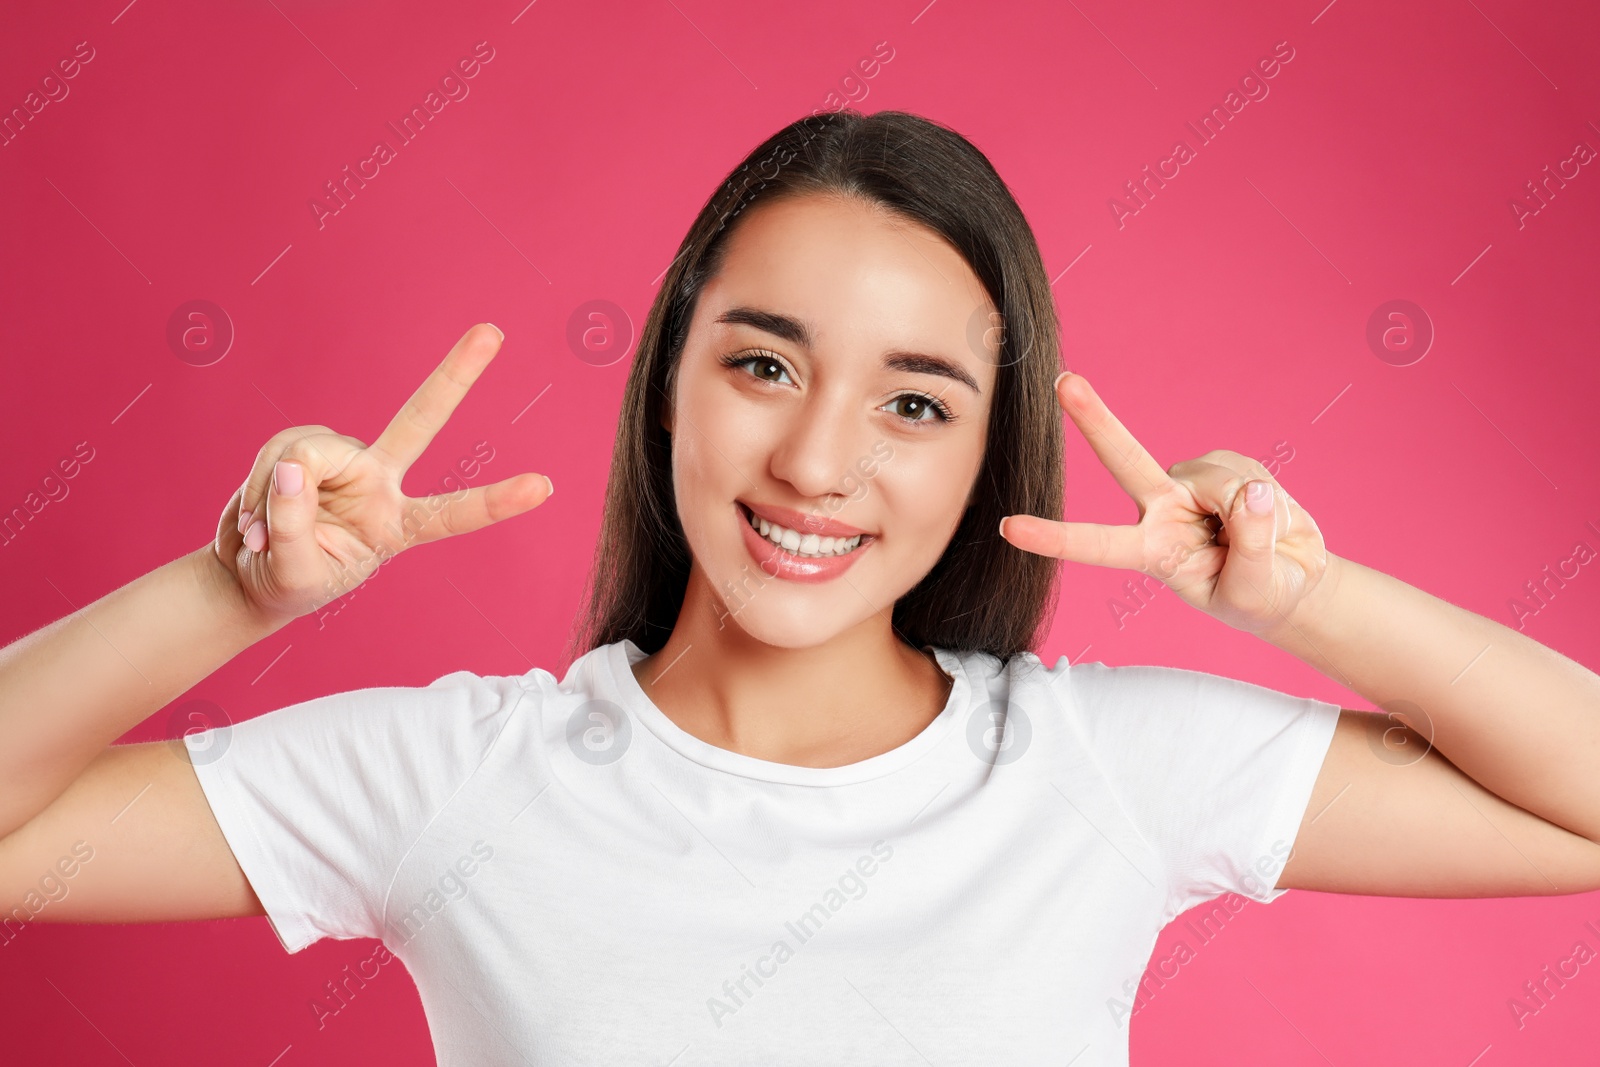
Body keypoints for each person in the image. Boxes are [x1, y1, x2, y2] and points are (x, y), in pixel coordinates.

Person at [3, 109, 1598, 1066]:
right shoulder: (457, 776)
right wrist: (238, 593)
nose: (819, 462)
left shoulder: (1096, 767)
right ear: (670, 389)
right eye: (763, 363)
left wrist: (1302, 600)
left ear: (989, 455)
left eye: (915, 402)